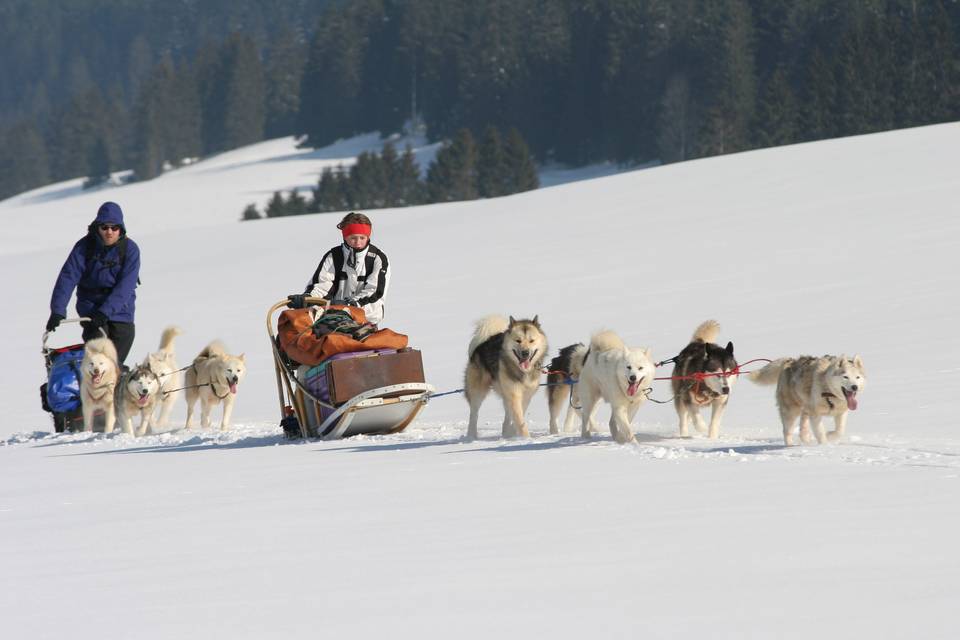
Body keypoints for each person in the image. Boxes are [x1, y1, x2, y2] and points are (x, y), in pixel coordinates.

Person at [46, 201, 141, 364]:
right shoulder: (84, 247)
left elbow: (125, 286)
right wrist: (57, 310)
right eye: (105, 227)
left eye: (114, 228)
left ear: (121, 229)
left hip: (121, 310)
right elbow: (68, 277)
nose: (109, 232)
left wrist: (105, 311)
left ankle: (115, 385)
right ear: (97, 227)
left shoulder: (130, 250)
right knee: (100, 357)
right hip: (91, 308)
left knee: (115, 360)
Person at [289, 212, 390, 326]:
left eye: (362, 238)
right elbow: (322, 286)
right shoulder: (334, 256)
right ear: (345, 236)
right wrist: (307, 299)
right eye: (353, 238)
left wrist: (350, 305)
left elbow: (375, 292)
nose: (358, 242)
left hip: (366, 319)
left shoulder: (378, 259)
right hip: (335, 319)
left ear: (368, 237)